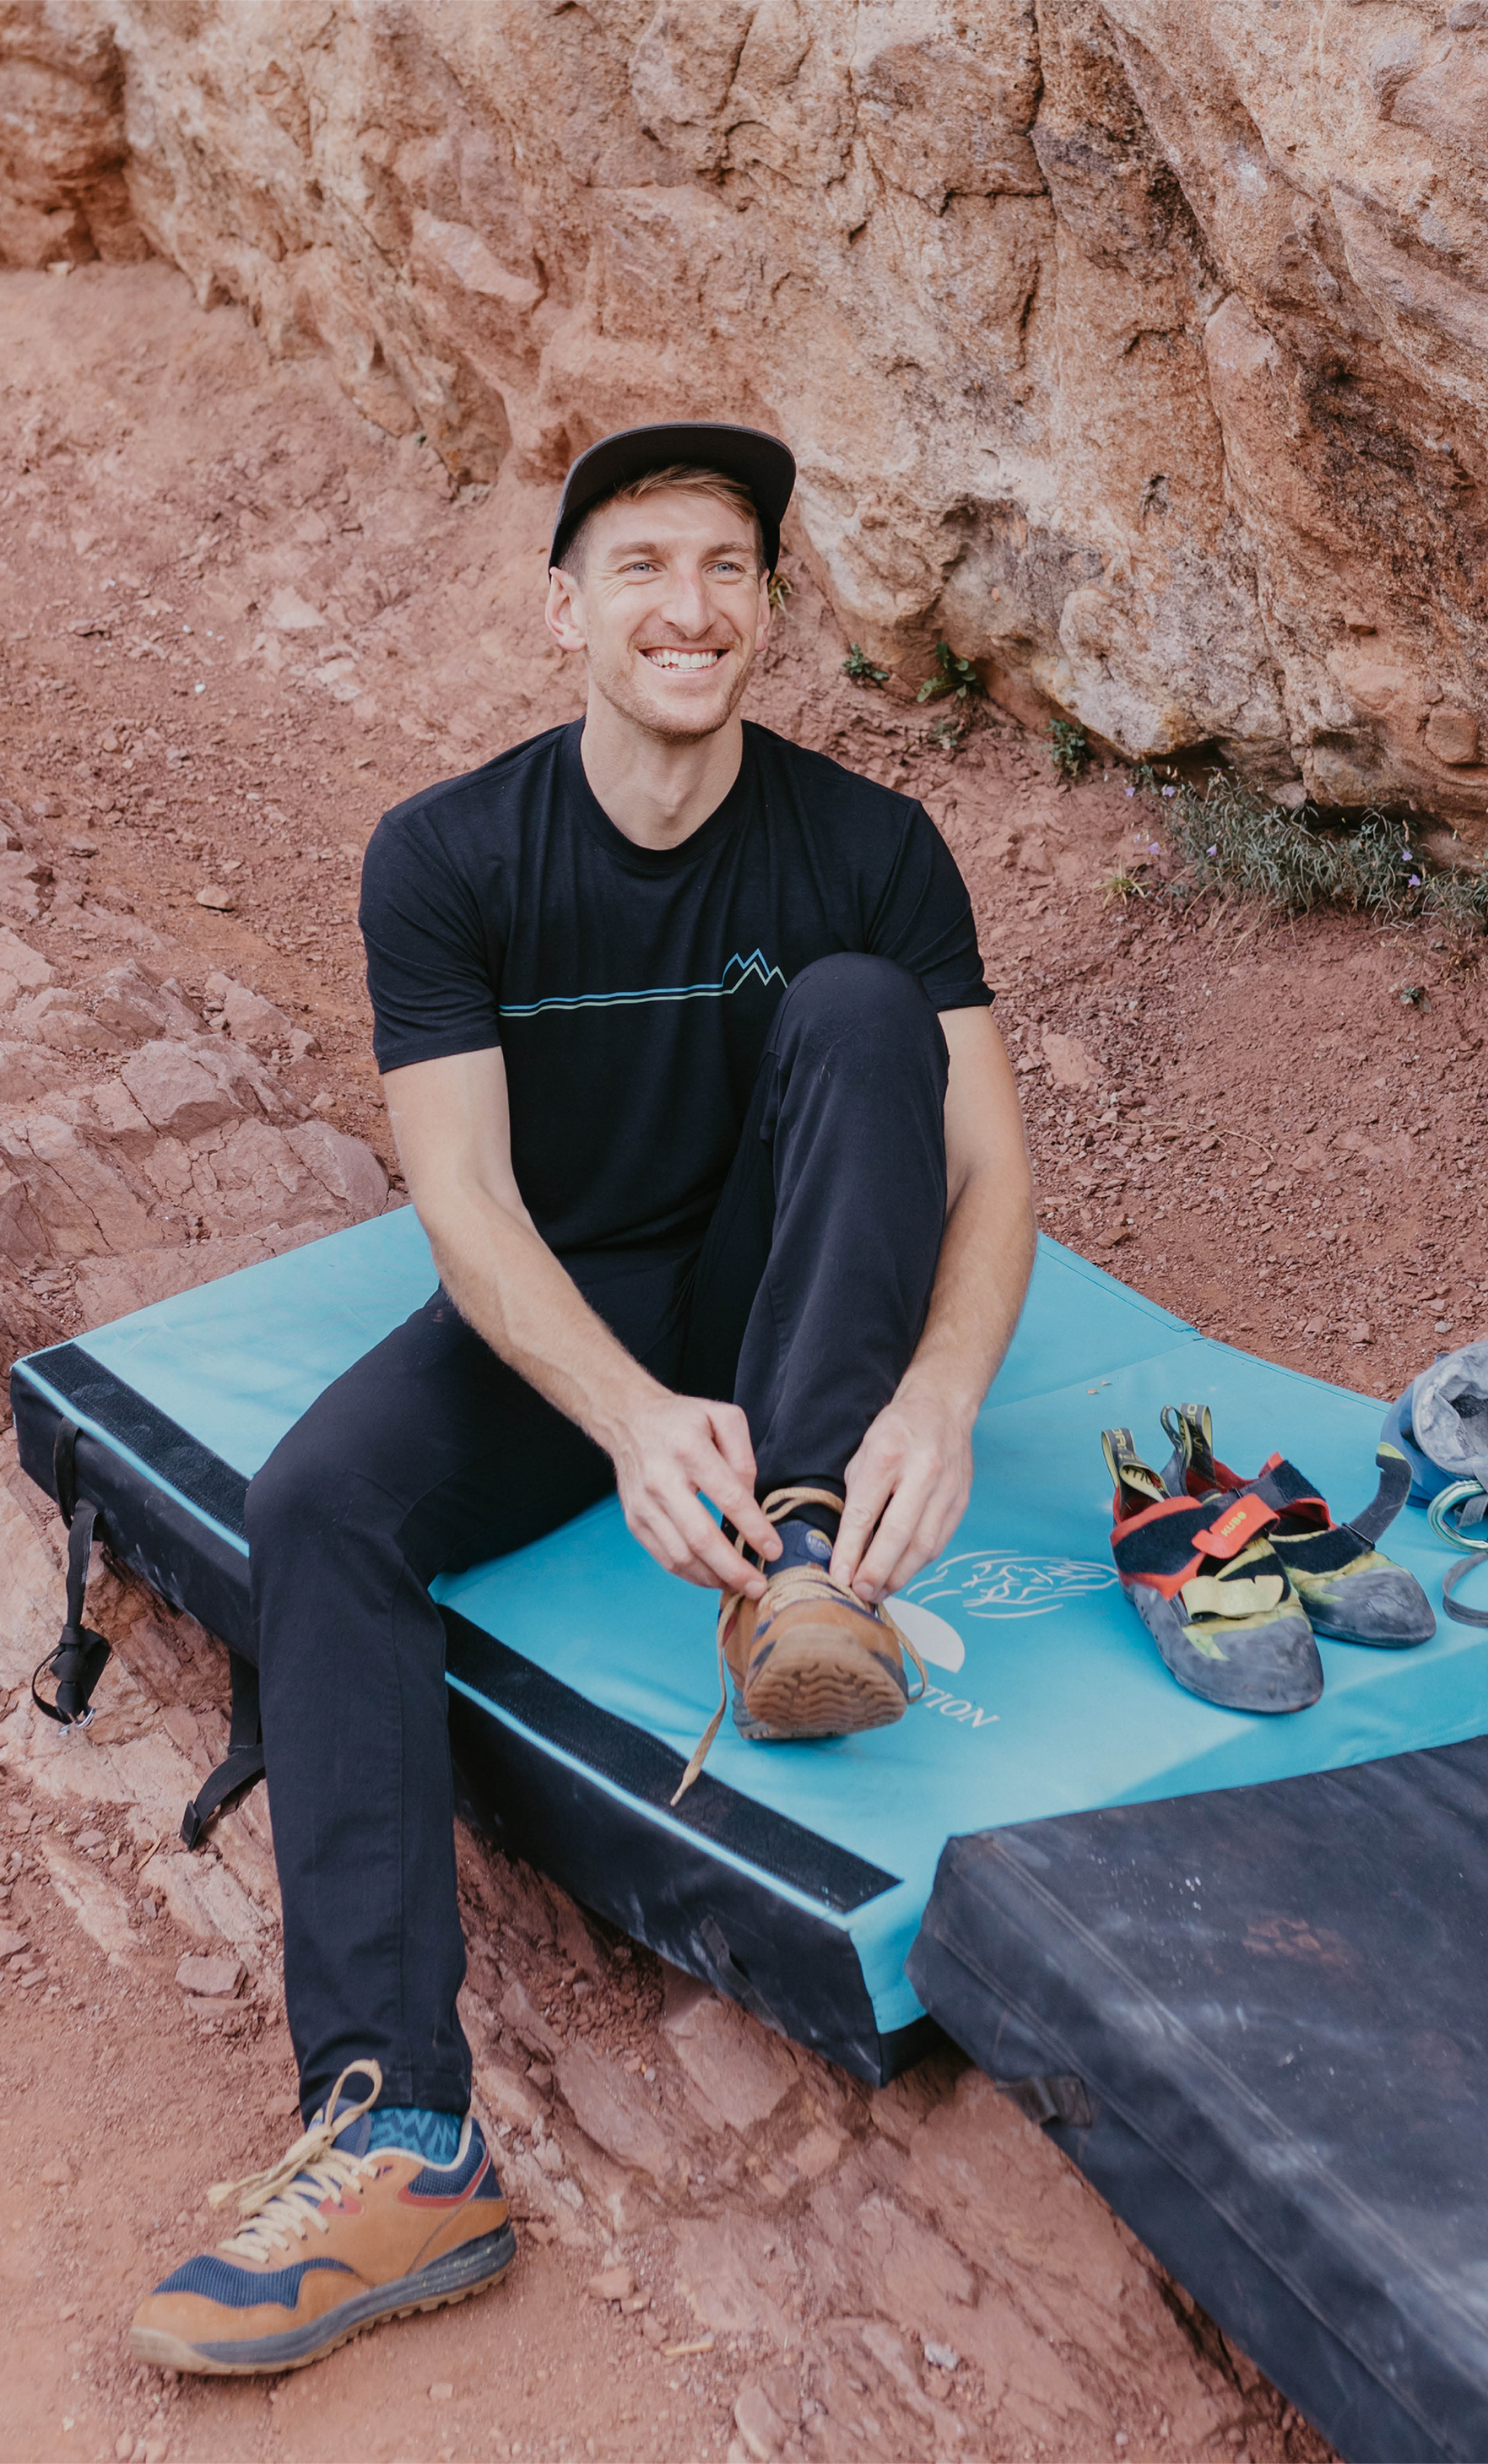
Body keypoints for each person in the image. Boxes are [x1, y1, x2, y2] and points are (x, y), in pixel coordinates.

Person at [128, 421, 1035, 2375]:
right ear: (567, 608)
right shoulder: (447, 854)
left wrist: (941, 1400)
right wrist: (627, 1413)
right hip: (581, 1315)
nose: (686, 605)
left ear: (768, 616)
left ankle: (801, 1561)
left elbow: (992, 1169)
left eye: (724, 567)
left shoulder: (871, 846)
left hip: (808, 1273)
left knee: (863, 1007)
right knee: (319, 1509)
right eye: (640, 567)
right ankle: (405, 2139)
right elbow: (460, 1202)